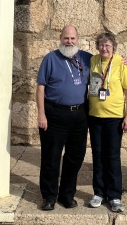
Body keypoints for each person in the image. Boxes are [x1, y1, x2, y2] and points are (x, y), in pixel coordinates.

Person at [36, 25, 91, 211]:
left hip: (79, 116)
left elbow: (107, 63)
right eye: (66, 38)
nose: (69, 42)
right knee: (51, 158)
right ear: (60, 38)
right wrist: (41, 114)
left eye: (73, 38)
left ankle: (67, 195)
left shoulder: (86, 58)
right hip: (54, 115)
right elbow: (40, 87)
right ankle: (49, 196)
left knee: (75, 158)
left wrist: (123, 61)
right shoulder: (50, 59)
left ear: (78, 38)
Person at [87, 32, 127, 213]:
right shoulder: (93, 61)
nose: (104, 48)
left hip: (114, 117)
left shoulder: (121, 63)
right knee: (98, 155)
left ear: (113, 46)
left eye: (107, 45)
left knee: (113, 156)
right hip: (95, 116)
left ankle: (115, 195)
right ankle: (99, 193)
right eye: (101, 45)